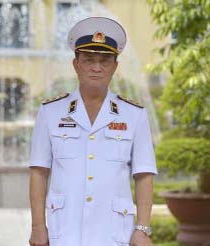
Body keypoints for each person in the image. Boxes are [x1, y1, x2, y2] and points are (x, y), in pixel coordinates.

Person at [29, 17, 157, 246]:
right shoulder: (51, 112)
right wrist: (38, 226)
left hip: (114, 231)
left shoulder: (134, 114)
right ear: (76, 64)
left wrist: (143, 229)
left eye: (104, 61)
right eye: (89, 60)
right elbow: (39, 171)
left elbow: (144, 174)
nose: (96, 67)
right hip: (64, 229)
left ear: (115, 66)